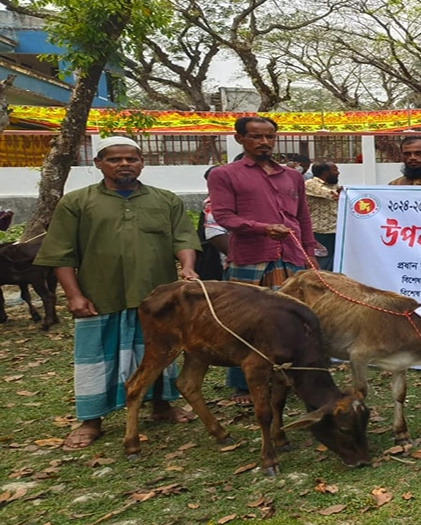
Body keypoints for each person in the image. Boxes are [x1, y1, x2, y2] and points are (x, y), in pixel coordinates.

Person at [34, 136, 199, 450]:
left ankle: (161, 407)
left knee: (159, 351)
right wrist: (74, 295)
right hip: (101, 294)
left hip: (156, 297)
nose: (124, 164)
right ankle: (91, 420)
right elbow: (61, 253)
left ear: (141, 162)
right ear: (98, 163)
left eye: (131, 159)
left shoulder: (165, 200)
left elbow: (183, 239)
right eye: (114, 159)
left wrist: (187, 268)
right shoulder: (76, 202)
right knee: (96, 359)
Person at [207, 116, 318, 402]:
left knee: (288, 319)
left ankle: (285, 376)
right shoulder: (225, 174)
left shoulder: (292, 176)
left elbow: (302, 217)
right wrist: (262, 228)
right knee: (243, 320)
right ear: (240, 139)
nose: (264, 142)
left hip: (291, 257)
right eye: (256, 136)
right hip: (250, 258)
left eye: (269, 136)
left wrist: (310, 253)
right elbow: (223, 216)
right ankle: (243, 384)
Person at [306, 160, 342, 271]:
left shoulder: (334, 185)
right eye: (335, 170)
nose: (338, 172)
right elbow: (331, 194)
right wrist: (342, 192)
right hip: (320, 232)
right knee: (323, 262)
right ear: (325, 172)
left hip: (335, 232)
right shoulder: (311, 184)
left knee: (335, 261)